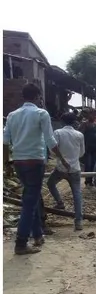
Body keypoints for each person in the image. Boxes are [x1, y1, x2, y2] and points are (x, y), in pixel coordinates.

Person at [3, 83, 70, 255]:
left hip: (18, 162)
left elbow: (4, 141)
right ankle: (21, 243)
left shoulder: (11, 115)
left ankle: (38, 235)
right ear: (38, 97)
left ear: (23, 96)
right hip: (35, 161)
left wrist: (5, 163)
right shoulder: (41, 113)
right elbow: (50, 140)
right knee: (29, 202)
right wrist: (62, 159)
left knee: (30, 198)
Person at [47, 112, 85, 230]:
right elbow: (82, 152)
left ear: (62, 122)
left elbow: (53, 150)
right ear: (74, 122)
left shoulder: (58, 133)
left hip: (61, 168)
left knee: (50, 183)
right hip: (75, 168)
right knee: (77, 194)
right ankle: (78, 222)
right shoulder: (79, 135)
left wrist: (62, 159)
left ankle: (59, 202)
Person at [79, 108, 96, 186]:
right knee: (88, 164)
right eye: (93, 114)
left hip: (95, 147)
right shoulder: (84, 124)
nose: (94, 116)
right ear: (89, 115)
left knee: (93, 164)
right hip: (87, 147)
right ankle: (87, 180)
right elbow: (80, 135)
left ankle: (91, 179)